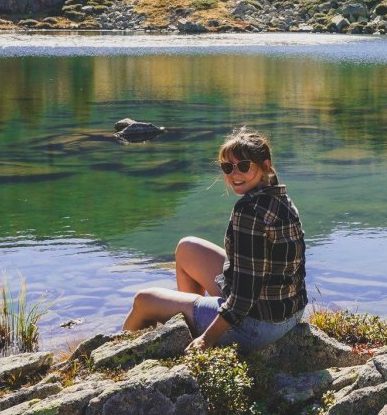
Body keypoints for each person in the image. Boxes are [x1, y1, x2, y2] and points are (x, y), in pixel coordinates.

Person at [123, 127, 307, 352]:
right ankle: (188, 319)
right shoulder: (281, 197)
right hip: (290, 312)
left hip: (256, 326)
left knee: (144, 300)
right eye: (227, 167)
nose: (234, 174)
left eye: (243, 166)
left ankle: (119, 355)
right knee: (187, 248)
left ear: (265, 166)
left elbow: (243, 297)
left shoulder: (249, 212)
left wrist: (207, 339)